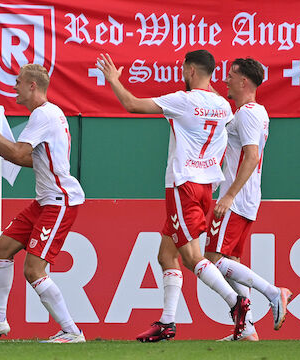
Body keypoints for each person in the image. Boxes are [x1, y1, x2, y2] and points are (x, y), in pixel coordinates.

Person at [96, 50, 250, 341]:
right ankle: (167, 322)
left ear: (191, 71)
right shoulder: (222, 106)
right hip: (206, 186)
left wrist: (113, 80)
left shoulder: (183, 100)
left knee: (192, 258)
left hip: (183, 186)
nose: (182, 73)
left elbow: (131, 104)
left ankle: (235, 302)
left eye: (183, 68)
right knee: (166, 254)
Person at [0, 64, 86, 344]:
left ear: (32, 85)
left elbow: (19, 151)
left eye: (18, 82)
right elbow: (26, 158)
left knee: (33, 269)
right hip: (45, 200)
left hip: (59, 201)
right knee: (1, 248)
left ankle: (72, 331)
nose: (15, 86)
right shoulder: (48, 113)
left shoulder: (43, 114)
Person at [204, 58, 292, 341]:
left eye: (231, 76)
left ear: (244, 82)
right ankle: (247, 329)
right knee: (231, 261)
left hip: (237, 199)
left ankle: (273, 292)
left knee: (212, 259)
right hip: (246, 198)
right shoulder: (249, 112)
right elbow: (231, 124)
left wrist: (228, 196)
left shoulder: (249, 115)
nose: (226, 80)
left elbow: (252, 156)